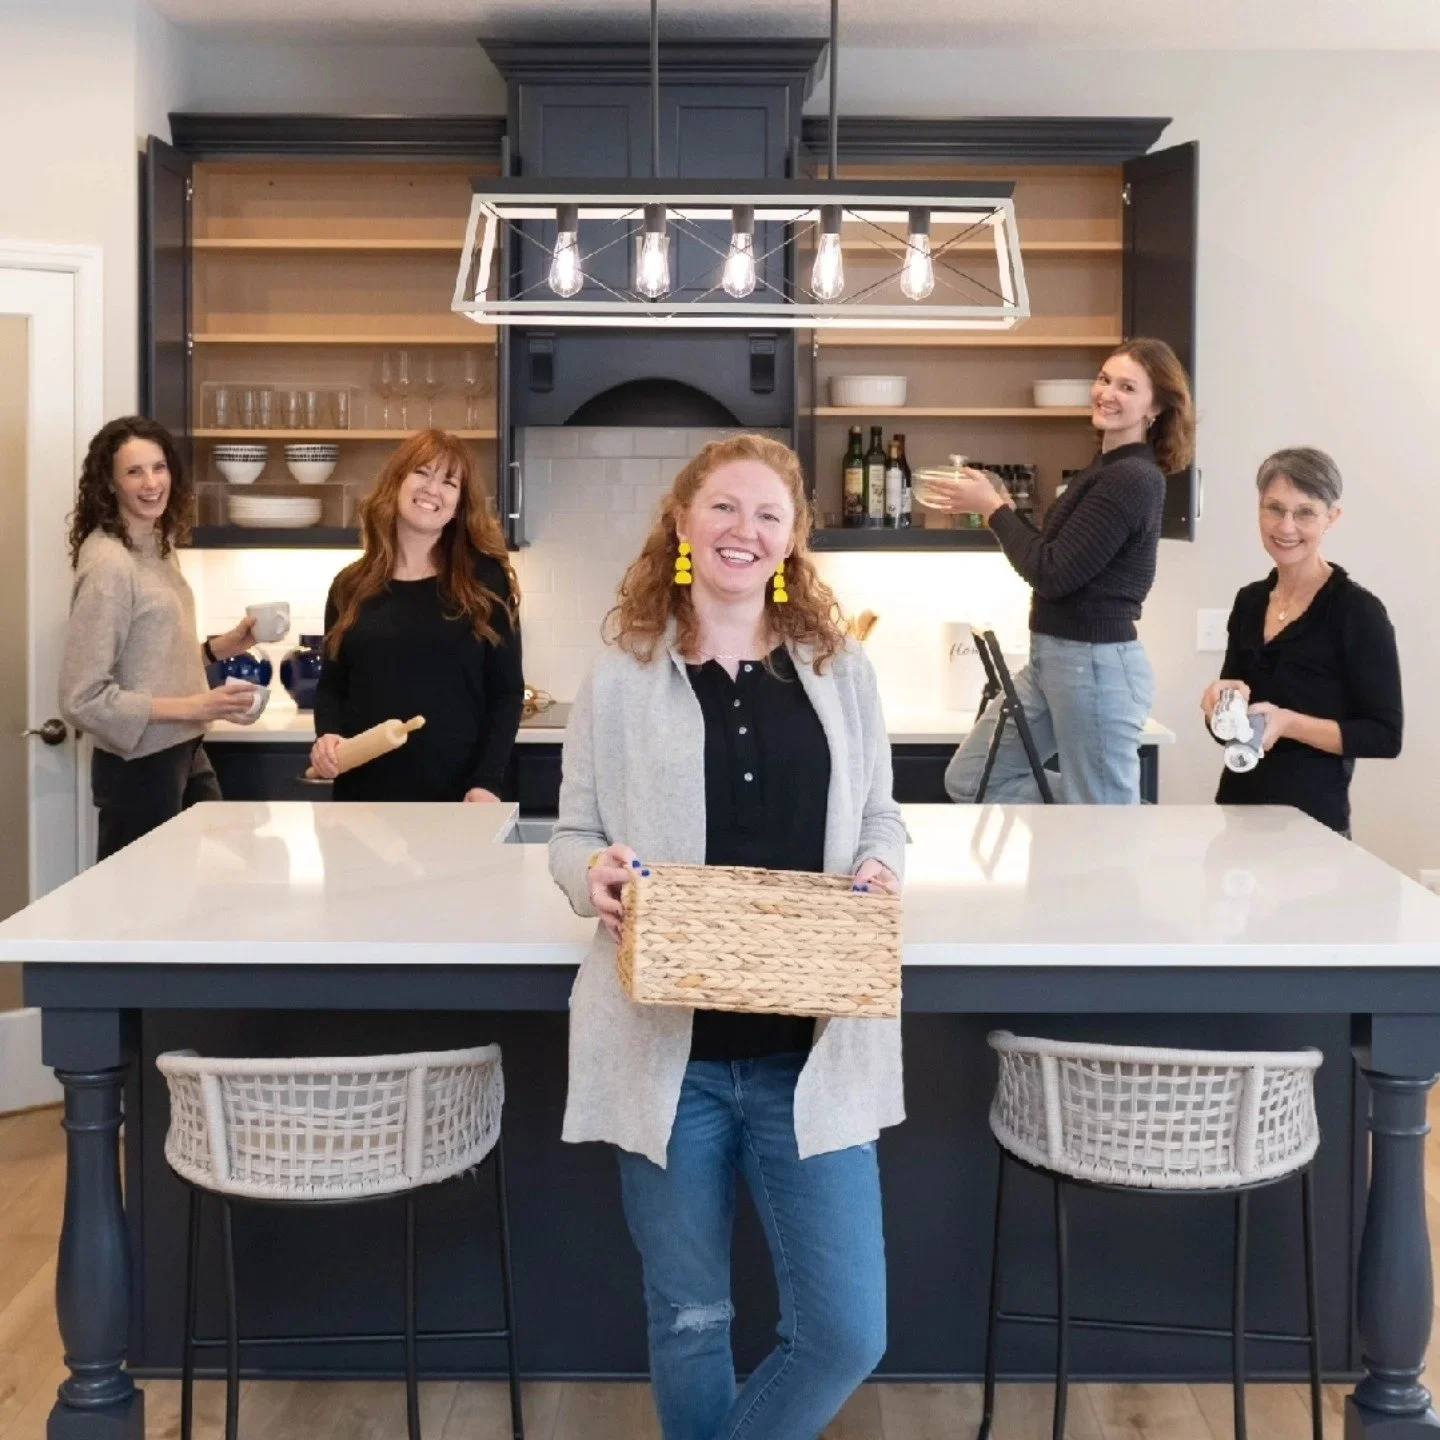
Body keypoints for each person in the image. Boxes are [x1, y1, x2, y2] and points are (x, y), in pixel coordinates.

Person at [548, 434, 905, 1440]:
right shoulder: (621, 673)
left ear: (791, 541)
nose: (743, 531)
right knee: (691, 1319)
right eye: (724, 508)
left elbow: (881, 816)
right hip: (668, 1056)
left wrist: (881, 867)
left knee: (845, 1333)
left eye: (767, 515)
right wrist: (591, 873)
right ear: (682, 522)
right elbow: (572, 833)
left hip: (814, 1056)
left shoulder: (840, 669)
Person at [931, 338, 1195, 805]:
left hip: (1094, 664)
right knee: (972, 780)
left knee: (1101, 815)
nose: (1107, 393)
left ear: (1155, 408)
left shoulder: (1131, 478)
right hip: (1053, 658)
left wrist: (994, 511)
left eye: (1127, 387)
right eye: (1104, 379)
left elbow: (1052, 573)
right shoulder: (1105, 469)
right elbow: (1058, 554)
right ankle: (1108, 811)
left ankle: (1115, 815)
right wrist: (1006, 508)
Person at [59, 417, 260, 860]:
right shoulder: (110, 566)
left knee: (199, 889)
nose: (152, 483)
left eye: (159, 467)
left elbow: (146, 660)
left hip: (182, 750)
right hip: (139, 768)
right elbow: (81, 698)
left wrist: (220, 648)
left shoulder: (155, 547)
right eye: (134, 472)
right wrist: (196, 706)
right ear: (109, 484)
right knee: (143, 899)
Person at [310, 429, 523, 802]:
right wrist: (327, 736)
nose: (432, 489)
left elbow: (506, 694)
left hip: (457, 798)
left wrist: (486, 782)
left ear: (459, 504)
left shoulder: (485, 583)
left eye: (449, 482)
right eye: (422, 473)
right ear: (396, 482)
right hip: (362, 799)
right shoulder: (349, 586)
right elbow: (331, 686)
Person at [1200, 447, 1401, 836]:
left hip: (1314, 828)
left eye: (1305, 512)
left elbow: (1384, 736)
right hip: (1236, 817)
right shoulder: (1250, 601)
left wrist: (1289, 723)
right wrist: (1218, 708)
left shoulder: (1357, 611)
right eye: (1274, 508)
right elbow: (1233, 726)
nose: (1286, 526)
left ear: (1331, 518)